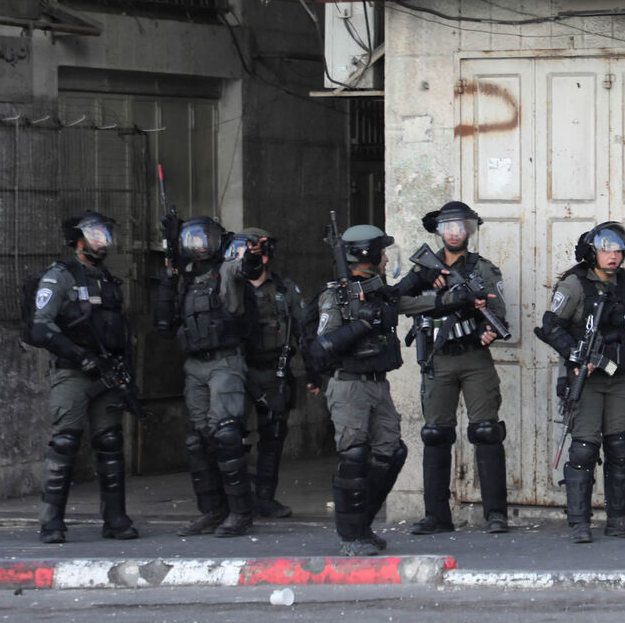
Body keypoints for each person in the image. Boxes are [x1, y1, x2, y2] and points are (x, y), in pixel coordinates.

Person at [309, 224, 440, 556]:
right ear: (368, 254)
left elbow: (405, 303)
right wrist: (361, 324)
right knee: (353, 456)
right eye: (382, 252)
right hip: (349, 385)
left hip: (377, 384)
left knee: (391, 452)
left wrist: (452, 297)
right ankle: (350, 536)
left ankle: (362, 523)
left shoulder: (375, 290)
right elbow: (322, 346)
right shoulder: (335, 295)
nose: (385, 259)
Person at [537, 222, 625, 543]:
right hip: (586, 377)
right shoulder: (575, 285)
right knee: (583, 449)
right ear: (593, 251)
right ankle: (579, 521)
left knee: (620, 445)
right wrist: (577, 357)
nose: (614, 256)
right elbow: (551, 326)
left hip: (621, 377)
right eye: (607, 249)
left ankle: (617, 520)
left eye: (619, 250)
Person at [30, 211, 139, 544]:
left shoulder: (109, 280)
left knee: (110, 443)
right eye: (94, 234)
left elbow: (120, 332)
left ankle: (116, 519)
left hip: (106, 374)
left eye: (105, 234)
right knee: (64, 444)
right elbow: (40, 327)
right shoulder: (60, 276)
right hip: (73, 373)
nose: (102, 241)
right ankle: (51, 523)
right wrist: (79, 355)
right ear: (77, 239)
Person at [407, 202, 511, 536]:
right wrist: (439, 300)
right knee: (436, 434)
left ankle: (495, 513)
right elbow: (398, 301)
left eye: (461, 226)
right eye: (448, 226)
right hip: (438, 356)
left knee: (486, 431)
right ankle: (436, 515)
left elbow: (498, 310)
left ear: (470, 230)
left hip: (474, 357)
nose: (454, 232)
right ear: (438, 230)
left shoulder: (482, 269)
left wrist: (490, 328)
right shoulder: (424, 268)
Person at [155, 216, 262, 538]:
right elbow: (165, 323)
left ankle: (241, 512)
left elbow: (247, 270)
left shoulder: (226, 270)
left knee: (226, 435)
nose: (199, 246)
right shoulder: (186, 279)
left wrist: (252, 256)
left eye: (204, 239)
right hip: (194, 365)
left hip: (223, 362)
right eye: (192, 240)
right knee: (198, 440)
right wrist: (169, 270)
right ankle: (212, 511)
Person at [224, 228, 312, 519]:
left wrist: (314, 371)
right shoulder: (229, 287)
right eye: (247, 250)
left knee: (273, 436)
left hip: (273, 371)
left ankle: (265, 498)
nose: (253, 256)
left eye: (258, 250)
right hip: (238, 372)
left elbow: (304, 331)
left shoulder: (284, 290)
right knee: (230, 435)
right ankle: (235, 501)